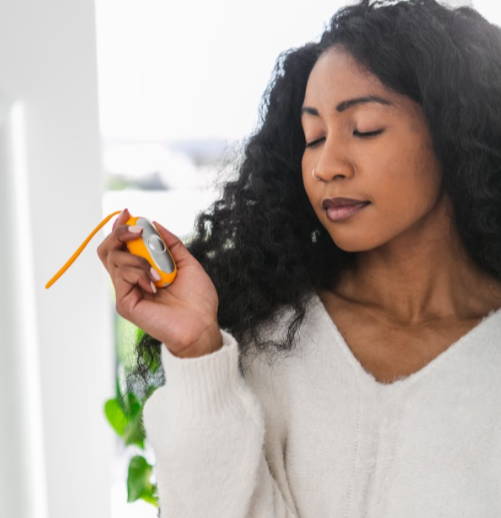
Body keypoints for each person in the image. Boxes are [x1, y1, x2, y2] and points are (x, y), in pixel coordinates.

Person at [97, 0, 501, 515]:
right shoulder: (274, 338)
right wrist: (197, 352)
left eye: (365, 128)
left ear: (455, 132)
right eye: (313, 137)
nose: (326, 165)